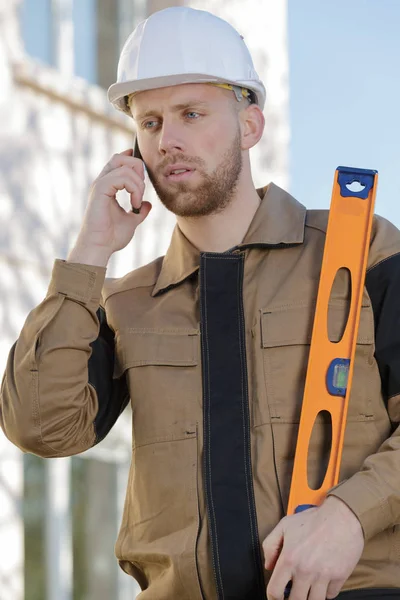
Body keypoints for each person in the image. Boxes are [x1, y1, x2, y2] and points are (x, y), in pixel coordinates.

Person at [1, 6, 400, 600]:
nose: (171, 140)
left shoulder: (359, 246)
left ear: (250, 125)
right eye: (152, 122)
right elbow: (41, 427)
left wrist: (349, 514)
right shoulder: (124, 300)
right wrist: (90, 253)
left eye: (192, 114)